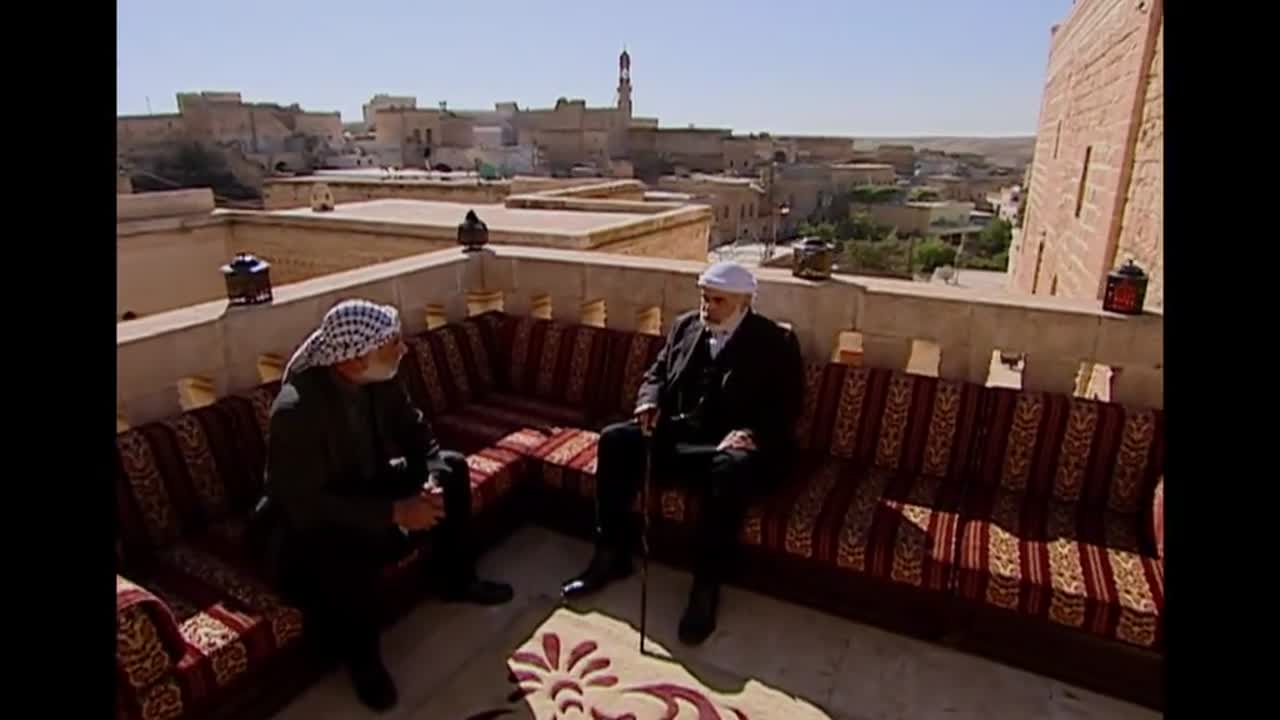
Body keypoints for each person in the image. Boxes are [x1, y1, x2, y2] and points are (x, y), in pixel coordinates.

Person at [254, 299, 513, 712]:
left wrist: (430, 477)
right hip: (308, 525)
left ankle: (456, 580)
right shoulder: (297, 409)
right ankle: (364, 661)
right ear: (354, 358)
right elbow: (306, 503)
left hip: (366, 485)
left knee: (451, 468)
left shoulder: (381, 378)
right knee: (343, 550)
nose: (404, 349)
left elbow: (415, 431)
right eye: (393, 342)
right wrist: (395, 513)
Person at [560, 261, 804, 645]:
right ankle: (610, 554)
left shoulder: (776, 342)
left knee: (730, 468)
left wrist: (752, 433)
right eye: (705, 298)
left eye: (718, 301)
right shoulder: (685, 326)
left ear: (744, 303)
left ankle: (705, 588)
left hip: (732, 447)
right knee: (615, 440)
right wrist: (649, 402)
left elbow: (787, 407)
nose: (708, 307)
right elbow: (656, 374)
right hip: (681, 436)